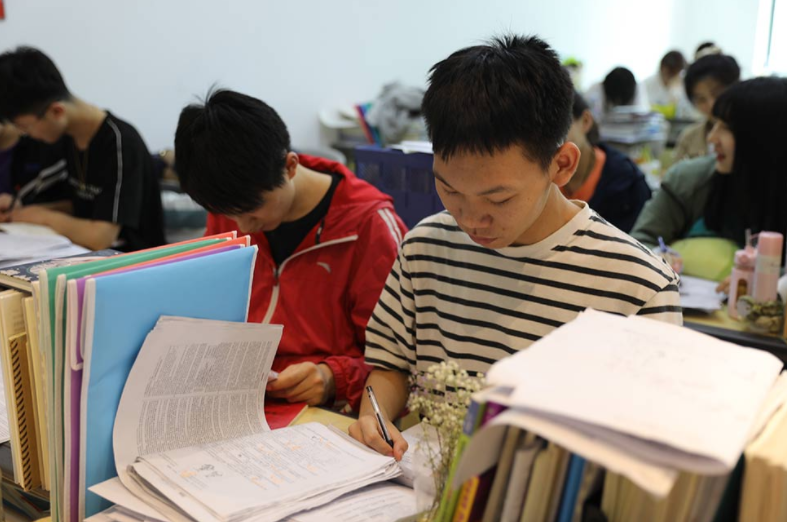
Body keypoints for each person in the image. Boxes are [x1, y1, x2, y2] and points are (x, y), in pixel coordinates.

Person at [349, 35, 682, 459]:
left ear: (561, 165)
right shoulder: (425, 248)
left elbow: (648, 445)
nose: (471, 219)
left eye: (499, 199)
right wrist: (375, 419)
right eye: (449, 190)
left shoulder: (639, 286)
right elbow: (391, 365)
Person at [174, 89, 407, 412]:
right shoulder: (230, 206)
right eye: (228, 214)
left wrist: (333, 378)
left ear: (290, 166)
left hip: (327, 411)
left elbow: (401, 363)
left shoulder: (368, 227)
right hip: (239, 400)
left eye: (252, 210)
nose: (243, 227)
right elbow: (209, 309)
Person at [0, 47, 165, 251]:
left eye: (25, 127)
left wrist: (42, 216)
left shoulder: (120, 142)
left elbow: (100, 237)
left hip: (135, 258)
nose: (26, 135)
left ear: (56, 112)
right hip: (87, 255)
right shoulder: (68, 136)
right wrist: (21, 212)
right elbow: (82, 205)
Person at [631, 78, 787, 255]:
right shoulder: (687, 180)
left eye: (726, 128)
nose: (712, 138)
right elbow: (638, 243)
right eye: (714, 124)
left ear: (765, 137)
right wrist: (662, 257)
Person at [562, 91, 651, 232]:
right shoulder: (537, 178)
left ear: (585, 121)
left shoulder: (627, 182)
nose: (548, 138)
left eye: (558, 125)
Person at [672, 54, 740, 162]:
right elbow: (677, 171)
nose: (711, 104)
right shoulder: (689, 138)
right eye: (701, 99)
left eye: (717, 93)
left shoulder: (750, 134)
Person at [643, 50, 696, 119]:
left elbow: (687, 110)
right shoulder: (647, 84)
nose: (672, 78)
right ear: (662, 68)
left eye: (676, 74)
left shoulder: (682, 84)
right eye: (670, 73)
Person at [585, 66, 649, 120]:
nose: (618, 101)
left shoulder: (637, 88)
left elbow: (641, 113)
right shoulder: (595, 91)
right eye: (616, 99)